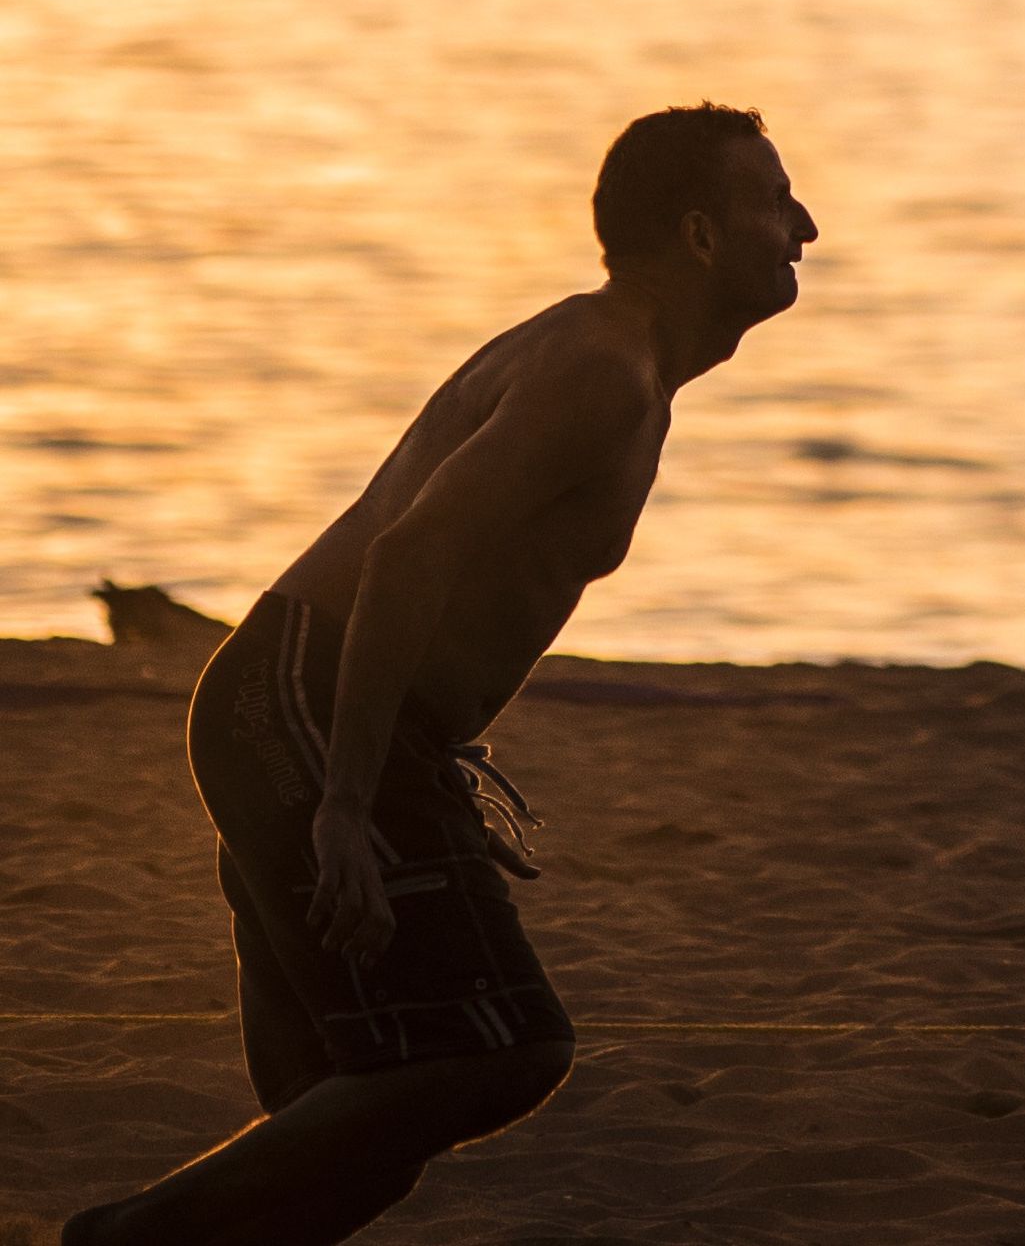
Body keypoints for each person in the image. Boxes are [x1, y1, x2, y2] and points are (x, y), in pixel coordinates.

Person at [47, 108, 820, 1246]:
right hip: (310, 705)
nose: (806, 226)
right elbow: (411, 548)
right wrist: (350, 800)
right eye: (777, 201)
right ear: (701, 235)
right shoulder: (598, 366)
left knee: (355, 1130)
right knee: (500, 1046)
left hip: (298, 704)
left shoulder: (619, 358)